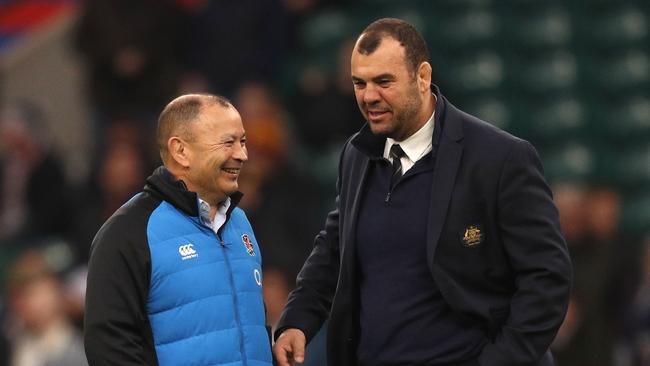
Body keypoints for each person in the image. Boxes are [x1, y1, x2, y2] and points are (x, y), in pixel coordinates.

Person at [273, 18, 572, 366]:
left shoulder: (500, 158)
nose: (369, 96)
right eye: (359, 83)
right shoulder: (357, 155)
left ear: (423, 76)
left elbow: (547, 279)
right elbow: (333, 248)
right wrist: (297, 318)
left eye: (384, 81)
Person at [84, 94, 273, 365]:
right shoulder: (127, 232)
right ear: (180, 151)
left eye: (242, 141)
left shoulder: (240, 222)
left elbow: (252, 327)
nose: (242, 154)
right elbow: (109, 348)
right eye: (228, 142)